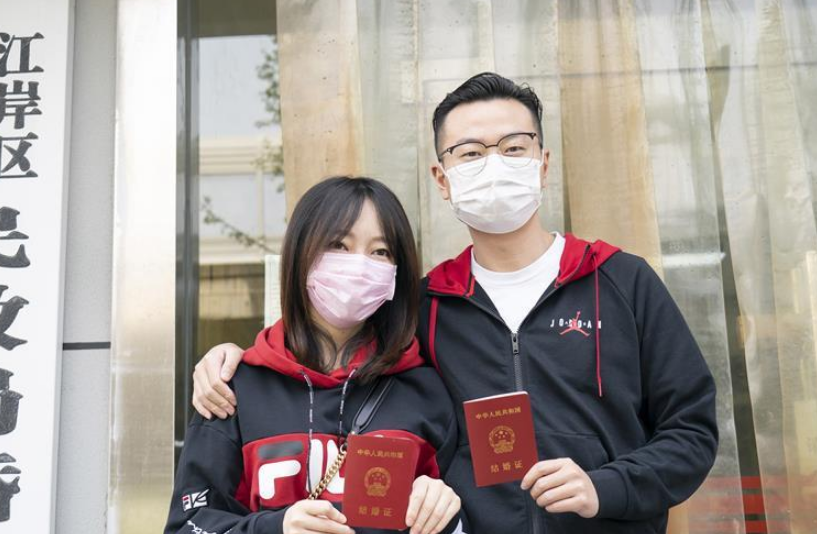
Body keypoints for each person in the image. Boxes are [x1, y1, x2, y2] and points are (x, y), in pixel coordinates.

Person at [191, 73, 719, 534]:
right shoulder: (421, 306)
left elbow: (691, 430)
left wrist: (607, 487)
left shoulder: (620, 281)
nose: (494, 165)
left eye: (513, 147)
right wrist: (231, 358)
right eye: (470, 153)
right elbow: (327, 350)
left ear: (543, 164)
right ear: (442, 179)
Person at [165, 177, 465, 534]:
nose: (359, 265)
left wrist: (446, 514)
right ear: (300, 253)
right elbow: (188, 525)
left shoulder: (425, 392)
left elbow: (473, 516)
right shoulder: (233, 390)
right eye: (338, 245)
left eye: (381, 251)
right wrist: (274, 529)